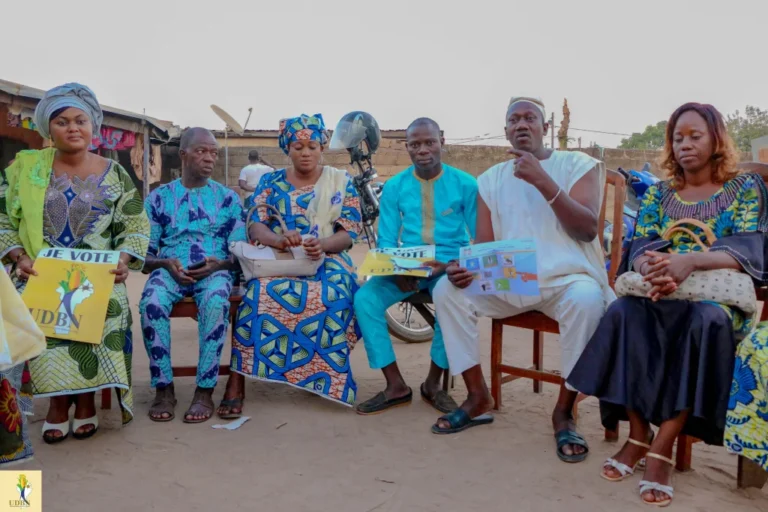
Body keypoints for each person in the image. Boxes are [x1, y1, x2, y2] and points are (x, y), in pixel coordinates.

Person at [567, 103, 768, 507]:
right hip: (659, 291)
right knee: (622, 312)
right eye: (678, 138)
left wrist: (690, 261)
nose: (685, 145)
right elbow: (640, 245)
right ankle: (638, 434)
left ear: (716, 139)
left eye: (695, 136)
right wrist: (652, 268)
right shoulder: (659, 193)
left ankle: (663, 445)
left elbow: (750, 247)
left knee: (704, 321)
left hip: (714, 299)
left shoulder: (745, 188)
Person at [432, 97, 612, 462]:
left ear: (546, 127)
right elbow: (484, 246)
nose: (521, 124)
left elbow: (587, 229)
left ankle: (564, 411)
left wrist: (542, 180)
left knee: (588, 299)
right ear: (506, 131)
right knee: (447, 290)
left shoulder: (578, 164)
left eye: (530, 118)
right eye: (514, 120)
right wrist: (467, 268)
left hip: (567, 280)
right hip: (511, 280)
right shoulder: (490, 180)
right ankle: (478, 396)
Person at [0, 83, 151, 443]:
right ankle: (56, 404)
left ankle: (86, 402)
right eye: (62, 122)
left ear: (93, 126)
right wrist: (20, 257)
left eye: (80, 121)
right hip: (39, 270)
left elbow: (134, 224)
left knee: (107, 307)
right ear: (48, 129)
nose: (72, 128)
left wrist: (123, 260)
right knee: (35, 310)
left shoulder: (115, 173)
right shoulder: (24, 170)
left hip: (98, 274)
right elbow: (2, 218)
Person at [216, 113, 363, 417]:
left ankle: (322, 376)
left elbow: (349, 232)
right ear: (287, 149)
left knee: (334, 294)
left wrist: (322, 244)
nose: (305, 153)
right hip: (280, 259)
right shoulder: (270, 182)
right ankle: (237, 381)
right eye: (298, 147)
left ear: (322, 147)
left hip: (328, 259)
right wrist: (279, 240)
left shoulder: (340, 181)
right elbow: (255, 224)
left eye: (312, 146)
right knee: (258, 296)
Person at [354, 118, 477, 415]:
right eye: (415, 144)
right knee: (365, 299)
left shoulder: (466, 184)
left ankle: (432, 384)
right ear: (407, 147)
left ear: (441, 142)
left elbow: (480, 241)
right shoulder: (395, 186)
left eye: (429, 142)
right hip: (408, 265)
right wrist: (397, 270)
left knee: (451, 301)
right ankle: (395, 385)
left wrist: (449, 266)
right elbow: (386, 240)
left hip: (449, 264)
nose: (422, 150)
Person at [140, 128, 245, 424]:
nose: (209, 158)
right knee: (151, 303)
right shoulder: (158, 199)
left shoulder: (228, 199)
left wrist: (219, 265)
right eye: (201, 151)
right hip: (169, 269)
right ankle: (164, 388)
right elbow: (143, 257)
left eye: (213, 152)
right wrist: (164, 263)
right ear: (183, 155)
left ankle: (204, 390)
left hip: (214, 270)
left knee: (215, 302)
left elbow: (240, 254)